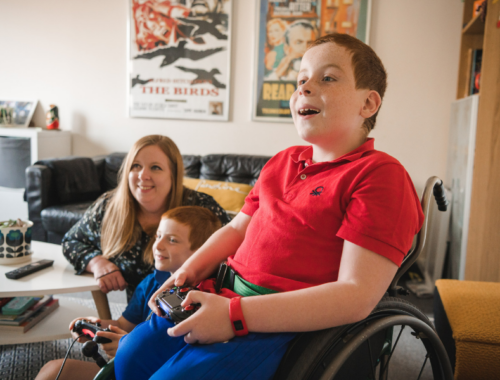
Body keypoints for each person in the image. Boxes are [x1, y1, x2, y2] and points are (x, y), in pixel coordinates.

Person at [113, 33, 424, 380]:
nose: (305, 88)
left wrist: (235, 315)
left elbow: (356, 295)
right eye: (301, 79)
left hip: (279, 325)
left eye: (328, 78)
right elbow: (235, 229)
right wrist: (186, 273)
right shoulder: (283, 162)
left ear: (368, 104)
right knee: (129, 356)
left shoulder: (380, 175)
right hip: (220, 293)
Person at [35, 206, 222, 380]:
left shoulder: (204, 298)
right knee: (54, 369)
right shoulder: (150, 283)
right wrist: (99, 326)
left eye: (172, 240)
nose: (157, 245)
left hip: (159, 371)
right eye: (158, 236)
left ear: (202, 251)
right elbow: (124, 324)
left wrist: (127, 348)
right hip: (125, 365)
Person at [62, 135, 230, 302]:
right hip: (135, 315)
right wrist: (97, 263)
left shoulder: (202, 207)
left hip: (190, 312)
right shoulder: (108, 206)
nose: (143, 175)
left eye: (155, 167)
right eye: (136, 166)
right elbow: (71, 241)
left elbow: (235, 256)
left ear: (173, 174)